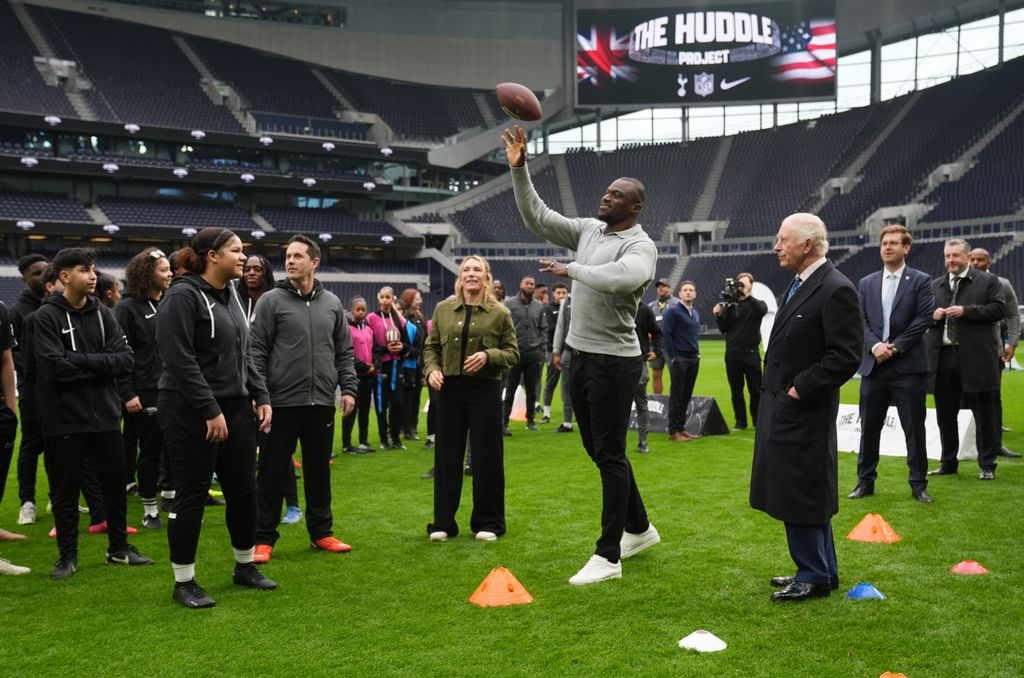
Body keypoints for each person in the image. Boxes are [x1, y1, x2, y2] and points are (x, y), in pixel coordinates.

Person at [505, 124, 661, 586]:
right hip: (580, 355)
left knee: (610, 454)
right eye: (606, 192)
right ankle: (640, 529)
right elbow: (538, 216)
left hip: (617, 360)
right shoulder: (589, 229)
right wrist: (520, 168)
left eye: (616, 196)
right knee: (598, 450)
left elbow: (619, 278)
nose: (605, 198)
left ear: (634, 207)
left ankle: (608, 555)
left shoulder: (641, 245)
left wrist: (570, 267)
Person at [156, 227, 275, 608]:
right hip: (190, 408)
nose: (244, 257)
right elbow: (179, 358)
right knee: (191, 493)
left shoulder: (232, 296)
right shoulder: (182, 295)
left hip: (236, 407)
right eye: (236, 250)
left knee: (244, 489)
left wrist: (260, 393)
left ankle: (244, 567)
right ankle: (184, 582)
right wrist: (210, 409)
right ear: (211, 255)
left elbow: (244, 353)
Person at [750, 213, 862, 602]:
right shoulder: (804, 282)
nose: (776, 246)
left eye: (783, 240)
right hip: (784, 406)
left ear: (807, 245)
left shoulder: (835, 288)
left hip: (803, 409)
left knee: (801, 489)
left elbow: (846, 356)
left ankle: (811, 574)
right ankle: (820, 569)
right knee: (799, 487)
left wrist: (800, 389)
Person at [33, 248, 155, 580]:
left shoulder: (104, 314)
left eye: (93, 269)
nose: (92, 275)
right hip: (63, 419)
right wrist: (101, 364)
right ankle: (67, 557)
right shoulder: (44, 318)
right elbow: (52, 368)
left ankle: (118, 549)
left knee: (115, 485)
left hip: (105, 415)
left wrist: (79, 360)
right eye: (85, 269)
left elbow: (125, 361)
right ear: (64, 276)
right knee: (65, 490)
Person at [251, 234, 358, 563]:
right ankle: (263, 539)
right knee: (271, 473)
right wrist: (259, 393)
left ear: (314, 262)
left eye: (298, 255)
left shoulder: (332, 304)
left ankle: (321, 533)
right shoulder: (270, 300)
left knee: (318, 472)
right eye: (287, 255)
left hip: (322, 402)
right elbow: (255, 351)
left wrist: (349, 388)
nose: (290, 261)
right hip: (280, 402)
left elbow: (344, 351)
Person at [424, 255, 518, 542]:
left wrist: (488, 355)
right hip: (449, 390)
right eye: (467, 269)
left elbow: (513, 353)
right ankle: (443, 523)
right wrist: (432, 369)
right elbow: (430, 348)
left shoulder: (500, 313)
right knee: (446, 457)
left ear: (486, 278)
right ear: (460, 277)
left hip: (485, 390)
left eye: (477, 269)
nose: (472, 274)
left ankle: (488, 522)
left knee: (487, 456)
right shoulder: (443, 309)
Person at [847, 226, 935, 503]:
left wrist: (893, 347)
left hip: (908, 368)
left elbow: (923, 319)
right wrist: (875, 346)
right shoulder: (867, 282)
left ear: (906, 248)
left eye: (894, 243)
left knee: (914, 429)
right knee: (869, 429)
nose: (887, 247)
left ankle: (919, 484)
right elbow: (860, 320)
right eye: (884, 243)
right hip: (874, 368)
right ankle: (865, 482)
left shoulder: (921, 280)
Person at [926, 239, 1006, 480]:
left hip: (977, 357)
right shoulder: (936, 285)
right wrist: (933, 315)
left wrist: (966, 311)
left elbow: (999, 310)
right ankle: (948, 462)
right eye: (948, 256)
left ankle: (987, 465)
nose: (951, 260)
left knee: (984, 413)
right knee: (945, 413)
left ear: (967, 258)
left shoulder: (988, 281)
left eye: (956, 256)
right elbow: (921, 318)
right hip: (944, 358)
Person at [117, 248, 174, 529]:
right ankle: (150, 509)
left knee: (174, 446)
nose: (170, 274)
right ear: (146, 274)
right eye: (164, 270)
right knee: (150, 451)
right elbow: (121, 353)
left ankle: (171, 496)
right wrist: (127, 393)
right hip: (145, 392)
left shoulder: (169, 302)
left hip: (173, 390)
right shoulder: (128, 308)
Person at [968, 247, 1021, 459]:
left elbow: (1013, 314)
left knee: (992, 397)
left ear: (988, 262)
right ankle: (966, 443)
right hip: (961, 350)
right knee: (963, 398)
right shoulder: (959, 284)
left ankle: (995, 444)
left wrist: (1013, 343)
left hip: (992, 350)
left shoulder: (1002, 283)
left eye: (980, 260)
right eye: (972, 259)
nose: (975, 263)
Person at [11, 254, 48, 527]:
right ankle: (27, 502)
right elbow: (16, 356)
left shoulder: (56, 305)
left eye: (46, 271)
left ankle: (57, 498)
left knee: (61, 446)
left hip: (58, 391)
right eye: (36, 273)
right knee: (31, 446)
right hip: (33, 391)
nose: (42, 276)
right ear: (25, 279)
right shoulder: (17, 312)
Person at [713, 272, 768, 430]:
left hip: (751, 353)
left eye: (744, 283)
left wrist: (746, 295)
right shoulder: (731, 306)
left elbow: (761, 311)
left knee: (755, 390)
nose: (741, 286)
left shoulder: (756, 304)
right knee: (736, 390)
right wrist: (718, 315)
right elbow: (723, 329)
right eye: (739, 283)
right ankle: (740, 421)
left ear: (751, 285)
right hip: (732, 354)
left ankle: (758, 420)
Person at [502, 276, 547, 434]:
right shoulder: (510, 304)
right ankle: (504, 423)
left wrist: (542, 349)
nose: (529, 286)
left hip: (533, 354)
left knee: (532, 390)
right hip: (515, 353)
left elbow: (543, 328)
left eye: (532, 284)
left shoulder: (539, 306)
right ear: (521, 285)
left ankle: (531, 420)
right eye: (527, 283)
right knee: (510, 389)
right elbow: (504, 327)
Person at [367, 286, 409, 450]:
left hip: (397, 366)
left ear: (393, 298)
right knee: (381, 404)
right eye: (382, 297)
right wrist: (386, 350)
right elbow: (371, 343)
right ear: (378, 298)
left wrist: (401, 347)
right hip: (381, 367)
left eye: (388, 297)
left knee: (398, 402)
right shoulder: (371, 318)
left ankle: (396, 439)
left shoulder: (398, 318)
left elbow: (407, 342)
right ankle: (384, 439)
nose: (385, 300)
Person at [662, 281, 700, 442]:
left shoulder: (695, 313)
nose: (688, 292)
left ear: (695, 294)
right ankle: (673, 431)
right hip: (680, 358)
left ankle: (681, 427)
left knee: (686, 395)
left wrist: (697, 353)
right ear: (680, 294)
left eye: (691, 290)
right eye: (685, 290)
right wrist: (673, 356)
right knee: (677, 395)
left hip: (693, 358)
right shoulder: (672, 312)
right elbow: (667, 334)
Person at [343, 296, 376, 455]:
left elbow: (374, 349)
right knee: (350, 410)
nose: (361, 312)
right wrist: (364, 366)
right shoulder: (347, 329)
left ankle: (363, 441)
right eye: (358, 309)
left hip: (368, 376)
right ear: (352, 310)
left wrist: (374, 365)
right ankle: (346, 444)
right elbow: (347, 353)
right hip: (353, 375)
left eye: (363, 309)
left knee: (364, 411)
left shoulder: (368, 329)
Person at [631, 302, 660, 453]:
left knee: (641, 403)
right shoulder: (615, 305)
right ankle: (616, 442)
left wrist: (657, 351)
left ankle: (643, 441)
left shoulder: (644, 310)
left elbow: (657, 332)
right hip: (617, 362)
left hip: (639, 362)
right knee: (617, 404)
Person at [399, 288, 427, 442]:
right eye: (417, 298)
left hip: (418, 363)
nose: (420, 301)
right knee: (406, 397)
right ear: (409, 300)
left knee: (415, 397)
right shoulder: (406, 318)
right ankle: (404, 427)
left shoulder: (419, 316)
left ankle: (412, 426)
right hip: (408, 363)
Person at [541, 282, 569, 424]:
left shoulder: (570, 307)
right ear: (553, 294)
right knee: (551, 381)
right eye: (559, 293)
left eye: (564, 293)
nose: (561, 295)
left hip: (569, 351)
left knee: (569, 384)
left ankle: (569, 414)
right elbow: (551, 328)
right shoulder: (548, 308)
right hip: (553, 350)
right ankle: (546, 413)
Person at [647, 279, 679, 395]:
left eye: (663, 286)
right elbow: (647, 324)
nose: (660, 288)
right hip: (656, 345)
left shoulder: (676, 303)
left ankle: (674, 401)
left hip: (671, 344)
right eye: (658, 286)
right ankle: (658, 400)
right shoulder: (651, 305)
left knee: (674, 374)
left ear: (669, 288)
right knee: (656, 374)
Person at [551, 291, 575, 433]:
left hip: (589, 352)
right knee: (566, 387)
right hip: (568, 351)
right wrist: (556, 351)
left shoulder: (592, 296)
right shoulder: (566, 302)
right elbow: (560, 327)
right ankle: (567, 423)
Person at [237, 254, 275, 324]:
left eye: (257, 270)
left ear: (266, 273)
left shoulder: (274, 302)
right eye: (247, 270)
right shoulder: (236, 302)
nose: (251, 273)